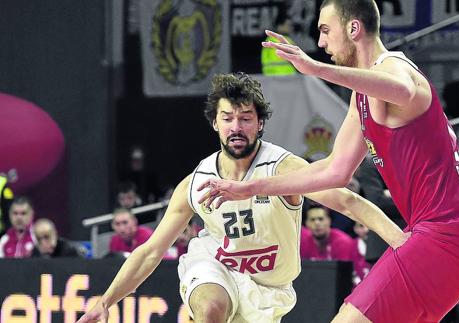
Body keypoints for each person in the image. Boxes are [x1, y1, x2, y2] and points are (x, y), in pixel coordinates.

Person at [197, 1, 459, 322]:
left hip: (448, 228)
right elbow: (334, 170)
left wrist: (317, 69)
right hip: (451, 228)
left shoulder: (395, 67)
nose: (321, 43)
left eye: (325, 31)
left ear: (353, 29)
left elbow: (404, 91)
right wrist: (249, 187)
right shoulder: (361, 94)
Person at [77, 73, 408, 323]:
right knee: (210, 309)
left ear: (260, 123)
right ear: (215, 124)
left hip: (269, 288)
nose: (237, 127)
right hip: (216, 265)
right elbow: (150, 252)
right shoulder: (196, 183)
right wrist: (106, 300)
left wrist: (400, 240)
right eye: (228, 118)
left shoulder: (283, 167)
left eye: (246, 118)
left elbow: (347, 201)